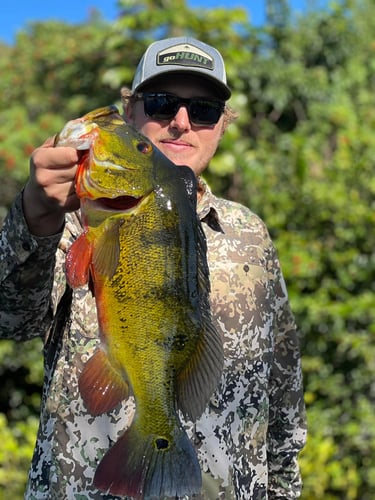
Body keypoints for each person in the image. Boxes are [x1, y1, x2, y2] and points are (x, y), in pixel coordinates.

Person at [0, 37, 307, 499]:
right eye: (162, 103)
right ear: (130, 113)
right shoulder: (66, 219)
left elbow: (283, 398)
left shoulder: (251, 235)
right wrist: (34, 214)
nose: (181, 123)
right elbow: (11, 318)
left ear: (223, 125)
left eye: (203, 109)